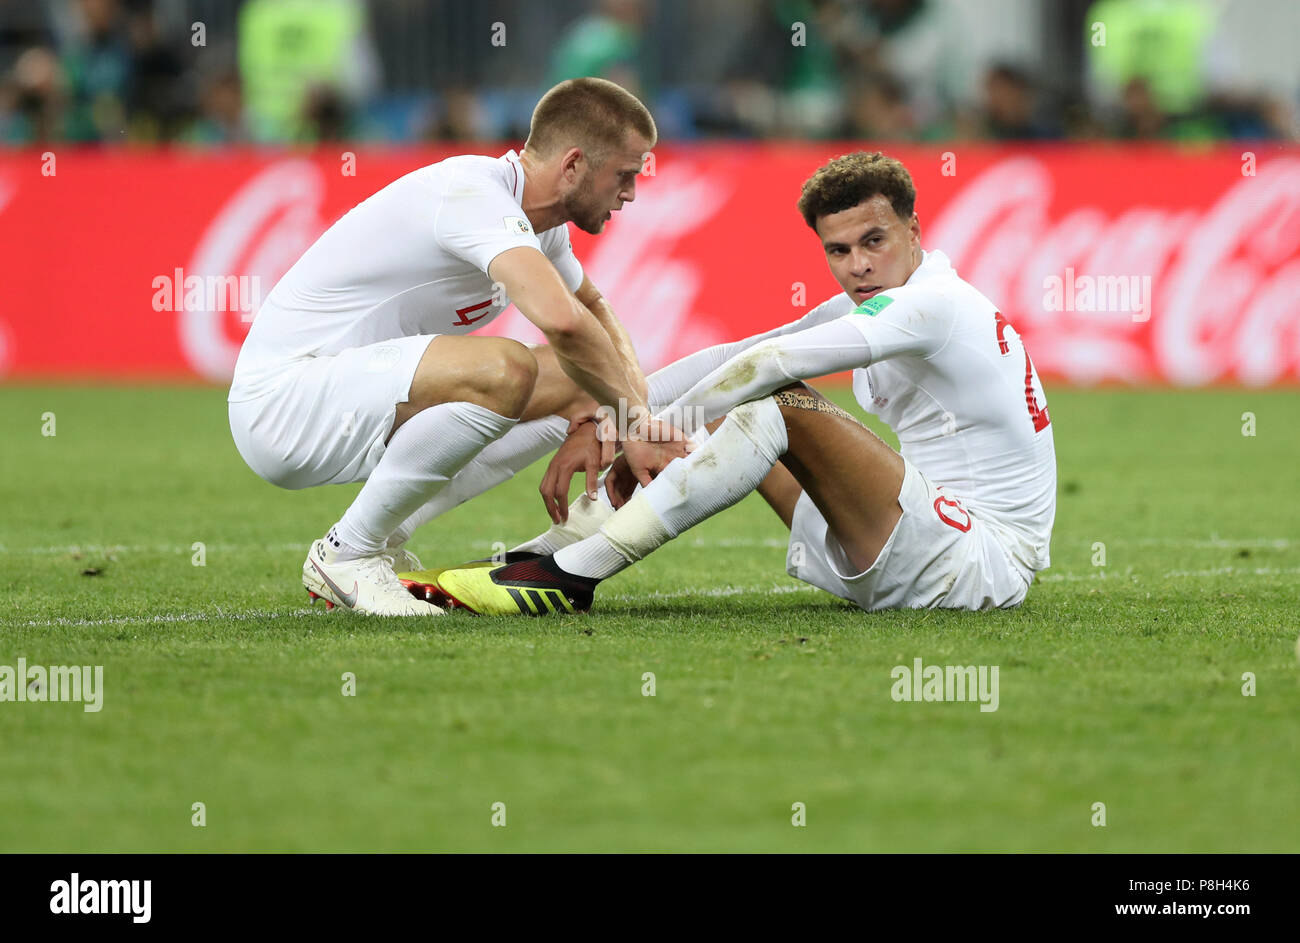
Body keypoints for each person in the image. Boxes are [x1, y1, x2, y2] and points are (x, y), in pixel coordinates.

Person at [431, 151, 1057, 615]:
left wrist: (652, 430)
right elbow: (737, 353)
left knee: (774, 404)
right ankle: (539, 555)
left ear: (914, 231)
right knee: (734, 402)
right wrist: (620, 420)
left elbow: (774, 367)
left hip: (977, 563)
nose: (859, 264)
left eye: (875, 240)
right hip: (909, 542)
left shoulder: (935, 305)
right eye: (838, 251)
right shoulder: (884, 300)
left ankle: (571, 577)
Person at [227, 77, 686, 616]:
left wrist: (611, 418)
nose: (631, 193)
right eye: (625, 175)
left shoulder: (542, 227)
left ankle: (381, 534)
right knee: (507, 368)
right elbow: (564, 323)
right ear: (574, 165)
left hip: (350, 396)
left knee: (576, 381)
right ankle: (347, 554)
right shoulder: (472, 193)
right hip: (282, 404)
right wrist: (634, 423)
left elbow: (597, 315)